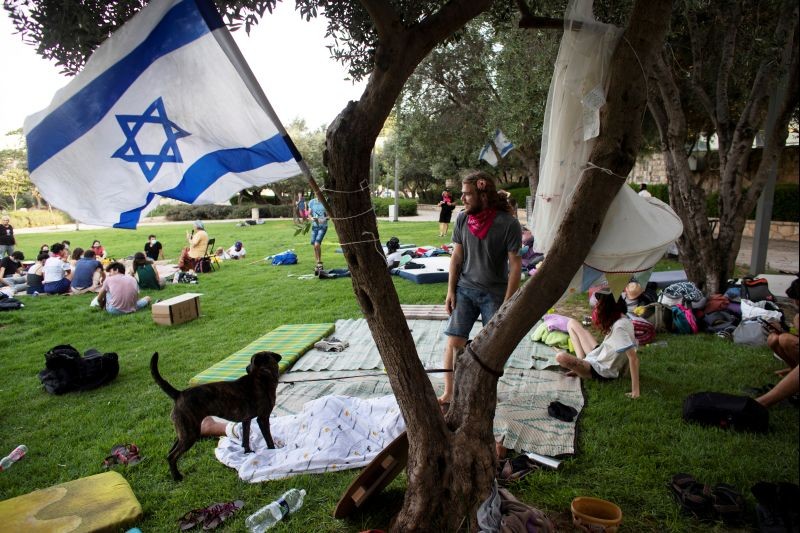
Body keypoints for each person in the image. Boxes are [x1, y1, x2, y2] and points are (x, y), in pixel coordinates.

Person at [438, 171, 522, 405]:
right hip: (465, 289)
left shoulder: (509, 224)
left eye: (467, 194)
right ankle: (449, 393)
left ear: (483, 194)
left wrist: (508, 302)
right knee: (454, 341)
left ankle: (486, 396)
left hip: (494, 295)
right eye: (462, 194)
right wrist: (451, 291)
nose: (462, 199)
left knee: (492, 349)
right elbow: (456, 257)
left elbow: (515, 266)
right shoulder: (463, 219)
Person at [555, 289, 641, 398]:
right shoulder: (622, 317)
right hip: (601, 353)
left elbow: (633, 358)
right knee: (572, 323)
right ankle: (581, 361)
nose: (597, 307)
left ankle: (581, 365)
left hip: (602, 370)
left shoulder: (619, 327)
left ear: (607, 307)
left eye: (599, 304)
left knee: (561, 357)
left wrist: (635, 391)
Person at [308, 196, 328, 275]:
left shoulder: (325, 202)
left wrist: (324, 219)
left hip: (323, 227)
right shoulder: (312, 202)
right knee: (314, 245)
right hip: (314, 226)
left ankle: (319, 262)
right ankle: (318, 263)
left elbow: (329, 215)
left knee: (317, 243)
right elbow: (309, 214)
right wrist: (312, 218)